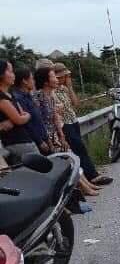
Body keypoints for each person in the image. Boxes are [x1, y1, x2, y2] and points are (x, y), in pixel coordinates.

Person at [33, 66, 99, 196]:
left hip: (57, 135)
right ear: (46, 81)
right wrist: (48, 140)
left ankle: (86, 184)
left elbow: (56, 118)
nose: (56, 79)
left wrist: (61, 136)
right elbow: (40, 121)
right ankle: (83, 187)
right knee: (67, 161)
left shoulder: (50, 96)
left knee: (72, 157)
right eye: (53, 77)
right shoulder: (38, 96)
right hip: (48, 137)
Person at [54, 63, 113, 186]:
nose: (64, 79)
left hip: (73, 120)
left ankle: (89, 176)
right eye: (62, 77)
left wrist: (69, 87)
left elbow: (76, 103)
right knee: (78, 148)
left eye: (65, 76)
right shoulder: (53, 91)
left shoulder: (64, 89)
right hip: (64, 124)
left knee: (80, 149)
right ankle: (92, 176)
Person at [0, 60, 37, 163]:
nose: (13, 75)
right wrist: (25, 116)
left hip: (24, 139)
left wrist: (23, 117)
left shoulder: (10, 94)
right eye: (10, 71)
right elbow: (19, 119)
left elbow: (21, 114)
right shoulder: (2, 98)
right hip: (17, 143)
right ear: (1, 74)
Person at [12, 66, 49, 155]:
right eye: (32, 79)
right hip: (36, 142)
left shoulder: (28, 96)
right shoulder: (19, 99)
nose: (34, 81)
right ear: (24, 81)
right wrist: (39, 141)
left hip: (43, 138)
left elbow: (38, 119)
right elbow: (28, 124)